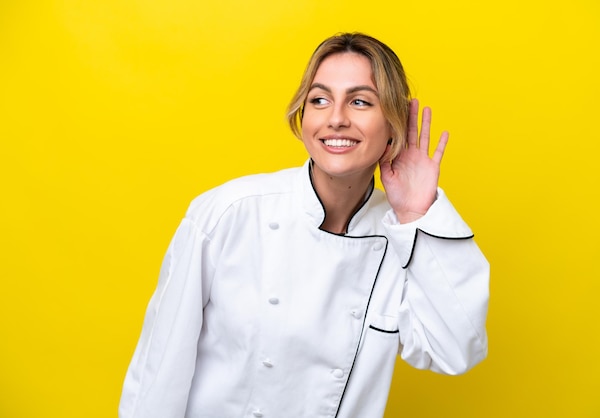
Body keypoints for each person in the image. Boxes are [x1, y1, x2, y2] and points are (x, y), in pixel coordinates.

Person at [119, 32, 489, 418]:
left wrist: (417, 215)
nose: (336, 118)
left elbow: (455, 350)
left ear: (393, 125)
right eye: (319, 100)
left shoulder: (402, 238)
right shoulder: (229, 214)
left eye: (360, 101)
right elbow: (159, 371)